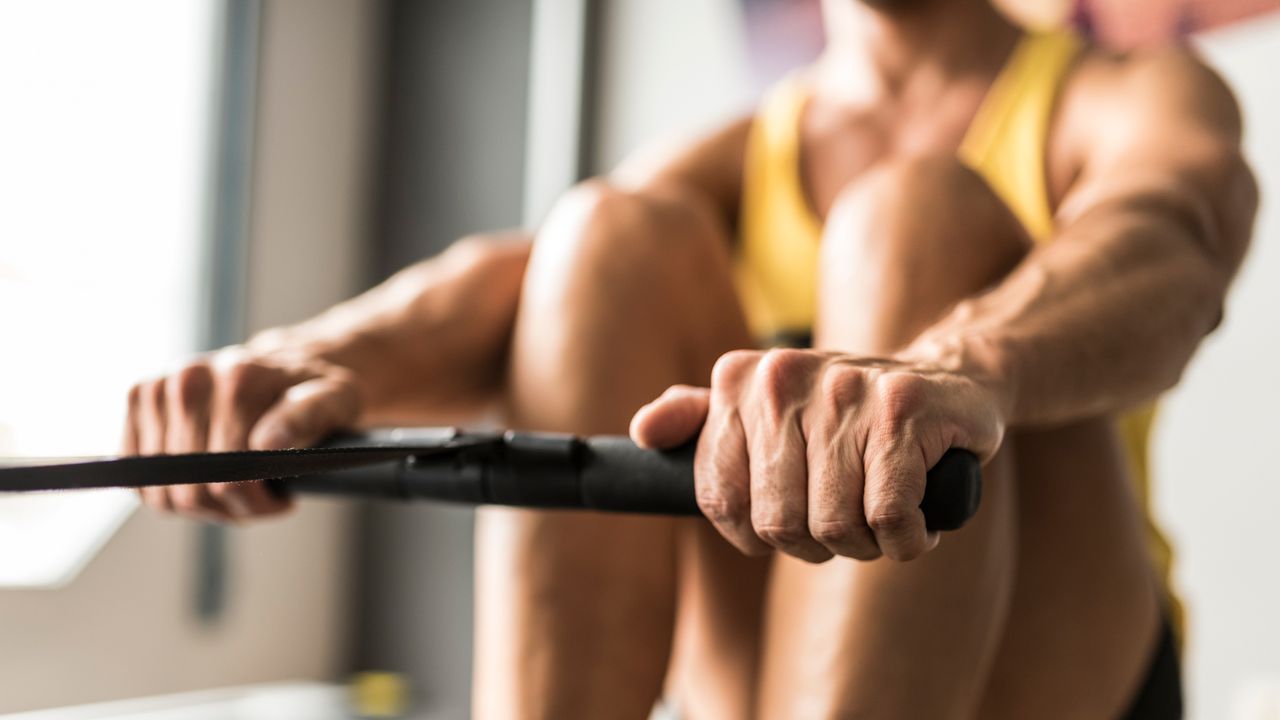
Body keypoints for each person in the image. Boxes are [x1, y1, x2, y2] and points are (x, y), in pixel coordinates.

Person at [122, 0, 1257, 717]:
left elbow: (1167, 241)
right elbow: (511, 288)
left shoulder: (1116, 92)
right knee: (602, 234)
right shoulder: (737, 155)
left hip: (1061, 673)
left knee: (911, 220)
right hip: (770, 685)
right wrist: (302, 361)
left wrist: (958, 366)